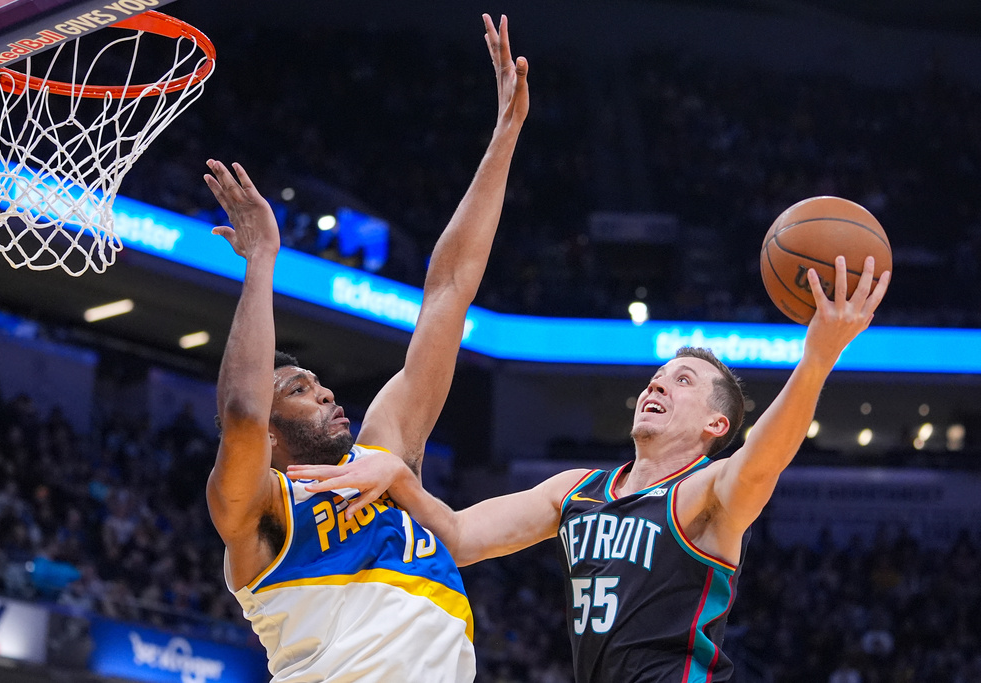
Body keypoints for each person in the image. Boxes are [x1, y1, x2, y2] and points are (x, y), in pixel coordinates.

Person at [288, 256, 891, 682]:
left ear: (716, 428)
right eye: (660, 375)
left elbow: (765, 457)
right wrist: (392, 472)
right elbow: (460, 538)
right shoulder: (578, 491)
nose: (659, 382)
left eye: (684, 382)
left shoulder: (705, 494)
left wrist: (817, 359)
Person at [204, 14, 528, 683]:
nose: (324, 390)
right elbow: (240, 410)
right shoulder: (258, 509)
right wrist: (262, 259)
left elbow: (448, 291)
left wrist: (503, 141)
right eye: (296, 389)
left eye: (316, 380)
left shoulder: (387, 461)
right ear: (269, 436)